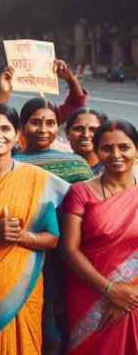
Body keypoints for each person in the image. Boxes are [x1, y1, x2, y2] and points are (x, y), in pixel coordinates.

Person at [0, 102, 69, 354]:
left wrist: (23, 236)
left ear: (16, 132)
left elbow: (51, 238)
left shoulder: (35, 178)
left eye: (5, 128)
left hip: (23, 284)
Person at [61, 120, 138, 355]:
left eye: (124, 147)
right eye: (107, 148)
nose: (116, 154)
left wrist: (131, 295)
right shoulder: (81, 192)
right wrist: (110, 290)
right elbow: (69, 250)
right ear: (96, 151)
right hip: (90, 293)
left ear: (137, 149)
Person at [14, 98, 94, 183]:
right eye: (35, 122)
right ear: (22, 127)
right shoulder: (9, 165)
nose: (43, 130)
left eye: (50, 123)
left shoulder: (77, 165)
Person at [65, 108, 108, 175]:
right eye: (79, 129)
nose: (86, 135)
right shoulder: (57, 167)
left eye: (93, 130)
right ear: (67, 133)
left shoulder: (112, 170)